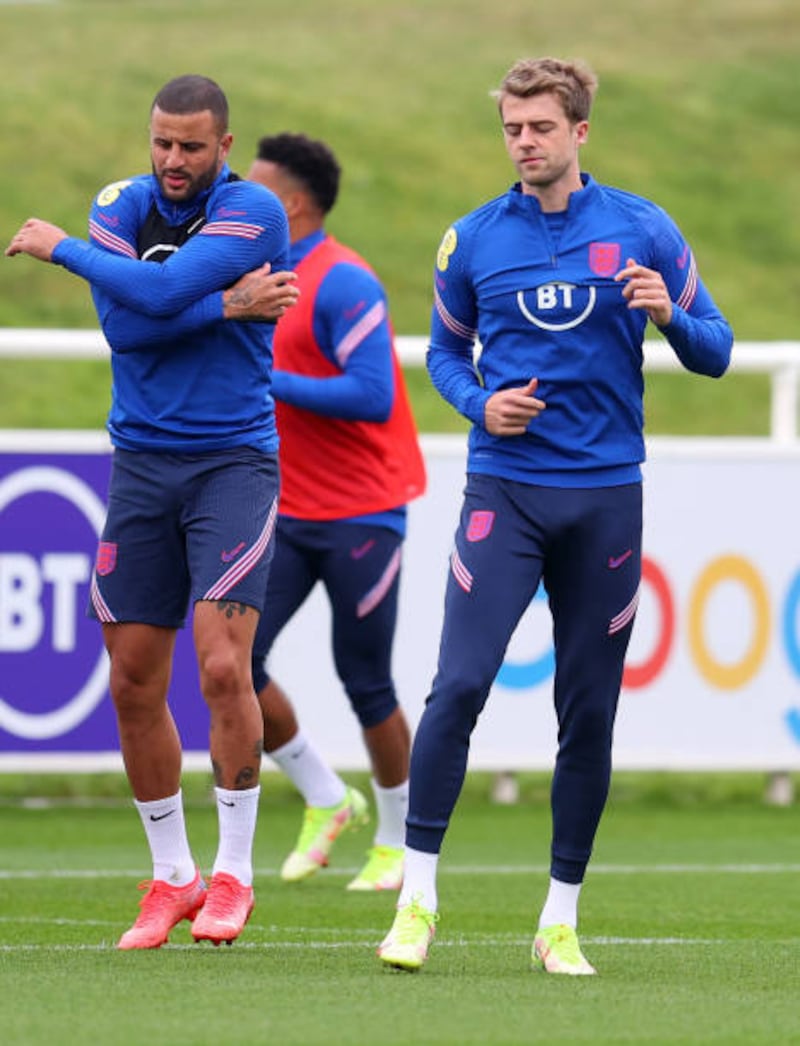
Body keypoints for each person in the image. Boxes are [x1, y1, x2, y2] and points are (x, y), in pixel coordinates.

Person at [377, 57, 733, 974]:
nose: (524, 142)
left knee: (589, 711)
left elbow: (718, 350)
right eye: (511, 128)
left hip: (607, 500)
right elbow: (443, 355)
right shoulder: (471, 240)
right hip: (506, 492)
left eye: (540, 127)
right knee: (458, 686)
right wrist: (480, 406)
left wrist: (671, 317)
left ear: (580, 132)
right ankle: (416, 898)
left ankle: (559, 919)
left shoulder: (642, 228)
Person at [5, 74, 300, 949]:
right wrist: (231, 304)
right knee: (132, 678)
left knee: (220, 667)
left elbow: (158, 300)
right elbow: (127, 331)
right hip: (140, 464)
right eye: (162, 143)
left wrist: (64, 251)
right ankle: (172, 876)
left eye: (192, 147)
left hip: (233, 464)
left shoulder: (257, 214)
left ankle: (234, 875)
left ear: (224, 147)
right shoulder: (119, 204)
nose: (173, 161)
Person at [245, 133, 427, 890]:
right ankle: (325, 796)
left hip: (363, 512)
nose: (238, 202)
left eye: (253, 191)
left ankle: (397, 844)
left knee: (366, 680)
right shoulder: (256, 274)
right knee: (233, 662)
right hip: (287, 509)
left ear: (290, 203)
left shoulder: (344, 281)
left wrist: (270, 379)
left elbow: (371, 394)